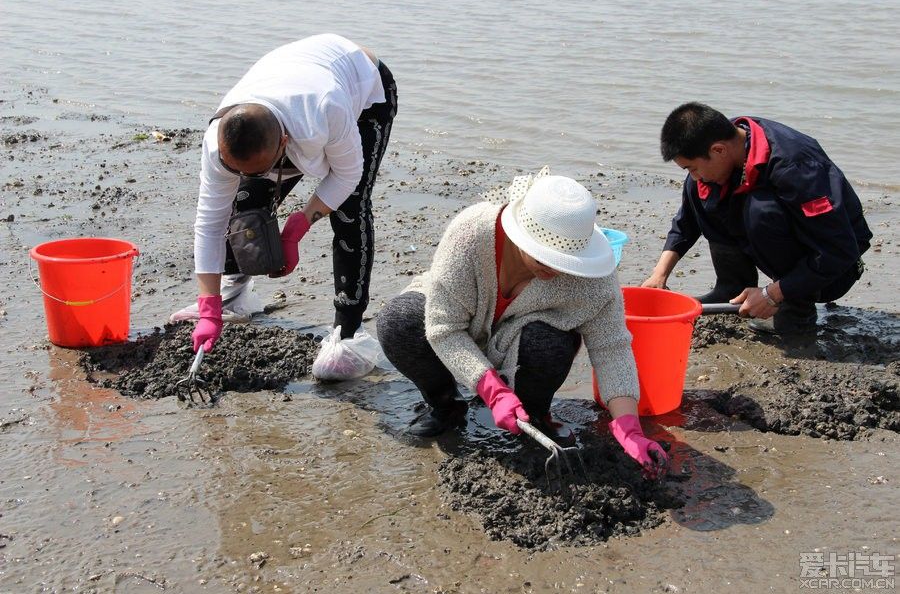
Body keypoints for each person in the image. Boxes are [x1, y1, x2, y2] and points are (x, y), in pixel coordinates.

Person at [376, 169, 668, 479]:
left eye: (565, 263)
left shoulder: (594, 277)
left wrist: (629, 429)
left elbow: (611, 347)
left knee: (550, 344)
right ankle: (445, 405)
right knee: (400, 322)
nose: (556, 270)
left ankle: (535, 415)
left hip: (523, 341)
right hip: (461, 325)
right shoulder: (471, 233)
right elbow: (444, 328)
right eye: (546, 259)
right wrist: (493, 392)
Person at [170, 34, 398, 380]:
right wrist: (208, 308)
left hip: (364, 93)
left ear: (285, 145)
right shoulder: (218, 139)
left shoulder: (327, 108)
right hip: (291, 91)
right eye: (236, 169)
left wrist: (299, 225)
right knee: (245, 201)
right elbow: (209, 223)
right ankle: (235, 295)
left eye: (262, 169)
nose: (246, 175)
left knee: (350, 208)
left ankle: (348, 333)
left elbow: (348, 176)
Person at [642, 102, 872, 335]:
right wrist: (659, 275)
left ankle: (796, 310)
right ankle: (731, 288)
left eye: (691, 167)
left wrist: (771, 294)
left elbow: (840, 251)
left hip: (836, 268)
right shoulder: (730, 143)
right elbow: (687, 222)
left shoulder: (797, 167)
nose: (693, 175)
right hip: (815, 254)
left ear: (719, 150)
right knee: (697, 188)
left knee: (761, 212)